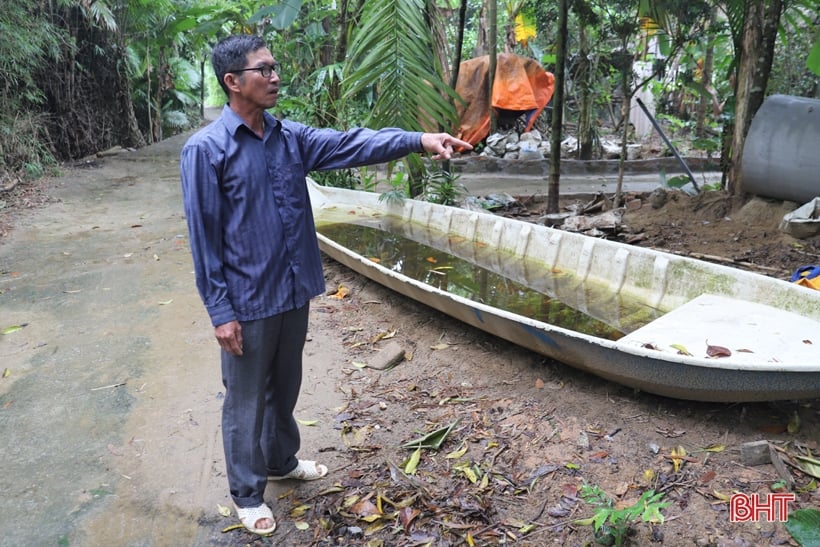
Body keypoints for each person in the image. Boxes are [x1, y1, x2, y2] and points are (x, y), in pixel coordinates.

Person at [179, 33, 472, 536]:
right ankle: (247, 494)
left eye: (275, 68)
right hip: (247, 300)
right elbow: (203, 238)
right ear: (232, 82)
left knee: (285, 384)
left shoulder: (288, 138)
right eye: (262, 70)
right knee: (245, 398)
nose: (274, 77)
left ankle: (280, 460)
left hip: (292, 289)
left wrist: (418, 140)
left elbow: (352, 142)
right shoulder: (206, 151)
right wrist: (220, 312)